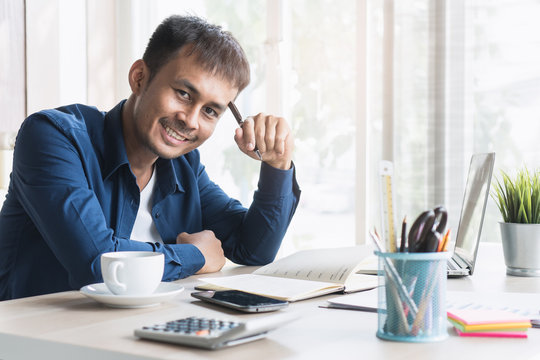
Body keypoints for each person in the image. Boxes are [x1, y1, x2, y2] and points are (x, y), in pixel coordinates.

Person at [0, 15, 300, 300]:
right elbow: (97, 265)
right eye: (184, 93)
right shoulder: (53, 137)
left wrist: (277, 163)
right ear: (139, 77)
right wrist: (197, 255)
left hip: (134, 336)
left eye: (210, 110)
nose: (191, 120)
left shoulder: (184, 167)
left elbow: (253, 250)